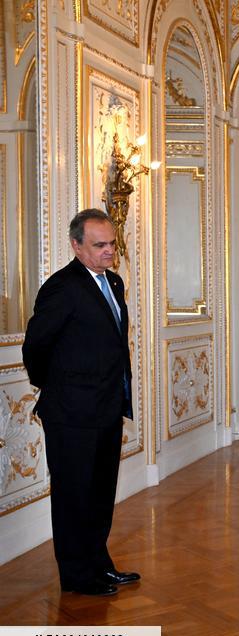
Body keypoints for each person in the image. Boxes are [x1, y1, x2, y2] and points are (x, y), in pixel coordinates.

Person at [22, 209, 139, 596]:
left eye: (112, 244)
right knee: (74, 496)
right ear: (76, 246)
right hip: (71, 414)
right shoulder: (62, 287)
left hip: (106, 409)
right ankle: (76, 576)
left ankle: (99, 565)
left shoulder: (114, 283)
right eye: (100, 245)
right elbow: (36, 345)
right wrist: (58, 388)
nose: (109, 252)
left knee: (101, 493)